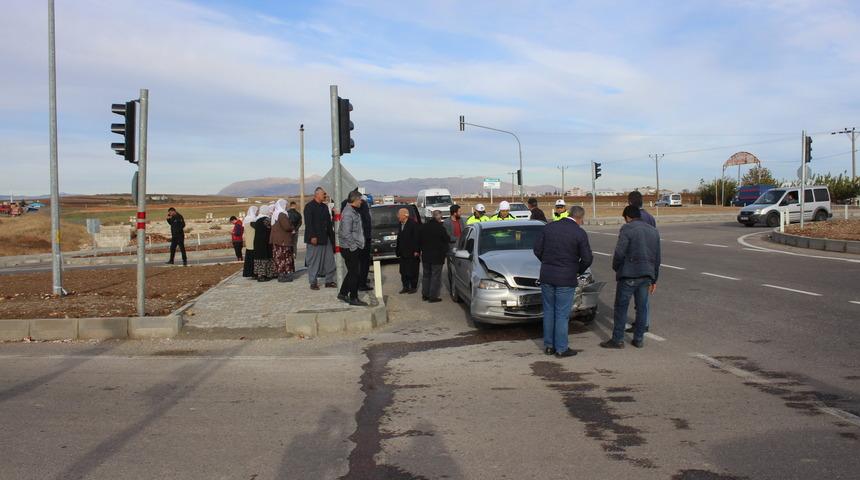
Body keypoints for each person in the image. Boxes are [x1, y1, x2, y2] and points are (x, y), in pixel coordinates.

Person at [533, 206, 593, 358]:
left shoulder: (549, 227)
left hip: (547, 275)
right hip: (566, 278)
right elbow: (587, 258)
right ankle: (561, 348)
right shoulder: (579, 232)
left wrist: (547, 262)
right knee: (561, 314)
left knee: (548, 312)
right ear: (580, 218)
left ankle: (548, 346)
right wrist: (577, 270)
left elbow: (537, 249)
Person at [601, 205, 661, 349]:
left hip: (628, 274)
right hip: (647, 274)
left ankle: (618, 339)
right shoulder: (653, 231)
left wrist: (617, 267)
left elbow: (620, 252)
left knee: (621, 307)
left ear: (627, 217)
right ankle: (639, 339)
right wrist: (654, 279)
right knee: (641, 308)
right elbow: (657, 258)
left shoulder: (627, 229)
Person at [337, 191, 369, 306]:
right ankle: (353, 298)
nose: (361, 201)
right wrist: (353, 246)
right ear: (355, 200)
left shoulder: (353, 211)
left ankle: (343, 293)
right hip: (349, 248)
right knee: (355, 273)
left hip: (351, 246)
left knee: (352, 272)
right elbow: (346, 233)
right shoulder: (348, 213)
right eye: (360, 199)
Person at [304, 187, 337, 290]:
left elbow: (328, 223)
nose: (325, 196)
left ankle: (329, 281)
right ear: (317, 194)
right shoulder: (309, 207)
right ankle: (313, 282)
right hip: (315, 239)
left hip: (326, 238)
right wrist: (312, 236)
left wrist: (332, 239)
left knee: (330, 261)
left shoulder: (324, 207)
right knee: (314, 261)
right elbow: (308, 223)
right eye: (323, 194)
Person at [419, 210, 450, 302]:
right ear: (439, 217)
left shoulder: (424, 227)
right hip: (437, 256)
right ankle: (433, 296)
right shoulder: (440, 228)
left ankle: (425, 295)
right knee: (435, 276)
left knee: (426, 276)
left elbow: (419, 240)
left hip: (426, 255)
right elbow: (446, 239)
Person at [270, 199, 296, 283]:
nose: (287, 206)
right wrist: (292, 227)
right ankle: (284, 276)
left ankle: (280, 275)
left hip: (277, 240)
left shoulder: (275, 214)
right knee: (284, 258)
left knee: (279, 258)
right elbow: (287, 227)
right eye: (285, 204)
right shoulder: (282, 214)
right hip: (283, 240)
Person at [396, 207, 421, 294]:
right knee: (403, 271)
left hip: (412, 252)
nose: (398, 216)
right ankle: (405, 287)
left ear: (405, 215)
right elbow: (399, 238)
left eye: (399, 215)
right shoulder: (400, 224)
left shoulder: (413, 224)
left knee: (412, 270)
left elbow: (417, 238)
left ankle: (413, 287)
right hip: (403, 252)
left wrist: (417, 251)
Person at [252, 205, 275, 281]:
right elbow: (271, 229)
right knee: (266, 257)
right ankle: (267, 275)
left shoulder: (257, 220)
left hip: (257, 241)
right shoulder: (267, 220)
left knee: (259, 258)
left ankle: (259, 275)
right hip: (265, 241)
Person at [241, 206, 258, 278]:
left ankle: (249, 273)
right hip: (253, 242)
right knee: (253, 259)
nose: (257, 212)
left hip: (248, 242)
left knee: (249, 259)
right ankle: (254, 273)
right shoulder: (253, 219)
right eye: (257, 211)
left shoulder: (246, 219)